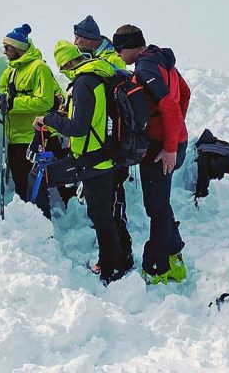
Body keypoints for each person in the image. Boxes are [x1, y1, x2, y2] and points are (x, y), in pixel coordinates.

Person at [34, 40, 129, 283]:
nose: (64, 73)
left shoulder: (85, 82)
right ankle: (116, 262)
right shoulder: (100, 76)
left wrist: (48, 120)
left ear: (67, 63)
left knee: (41, 177)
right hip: (104, 155)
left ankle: (109, 269)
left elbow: (78, 127)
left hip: (90, 160)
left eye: (63, 67)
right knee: (104, 214)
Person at [113, 24, 192, 284]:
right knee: (160, 202)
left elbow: (168, 104)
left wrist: (169, 146)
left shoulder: (146, 68)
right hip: (170, 141)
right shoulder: (162, 60)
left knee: (155, 208)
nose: (118, 56)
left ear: (131, 46)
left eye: (119, 50)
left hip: (162, 148)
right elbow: (184, 93)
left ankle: (157, 268)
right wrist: (177, 130)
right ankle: (174, 254)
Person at [73, 15, 133, 267]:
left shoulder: (108, 61)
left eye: (77, 37)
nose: (74, 41)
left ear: (88, 40)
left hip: (111, 143)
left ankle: (115, 260)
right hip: (109, 141)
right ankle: (120, 256)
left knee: (110, 208)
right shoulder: (102, 59)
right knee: (109, 207)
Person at [0, 24, 59, 205]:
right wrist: (0, 101)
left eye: (7, 47)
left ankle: (42, 224)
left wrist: (13, 103)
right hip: (14, 138)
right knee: (21, 185)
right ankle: (27, 226)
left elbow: (46, 101)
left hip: (34, 137)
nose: (4, 51)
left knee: (35, 187)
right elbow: (4, 95)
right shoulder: (10, 71)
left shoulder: (39, 68)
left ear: (18, 47)